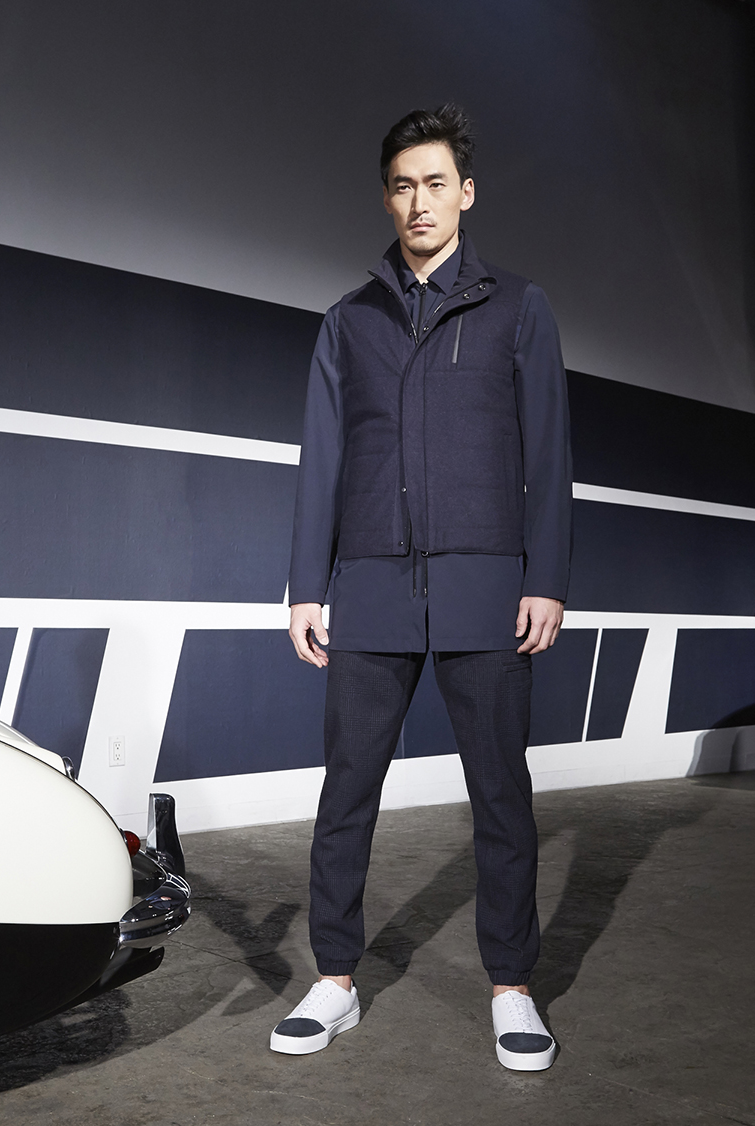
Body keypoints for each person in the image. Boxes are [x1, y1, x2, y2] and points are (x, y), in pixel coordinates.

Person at [269, 104, 572, 1071]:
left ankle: (513, 988)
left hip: (487, 588)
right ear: (386, 198)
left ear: (466, 193)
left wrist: (546, 577)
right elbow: (322, 460)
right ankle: (334, 979)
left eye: (436, 183)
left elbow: (548, 454)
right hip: (369, 587)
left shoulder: (518, 309)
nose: (419, 202)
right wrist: (306, 587)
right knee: (347, 791)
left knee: (501, 798)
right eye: (403, 186)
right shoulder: (349, 320)